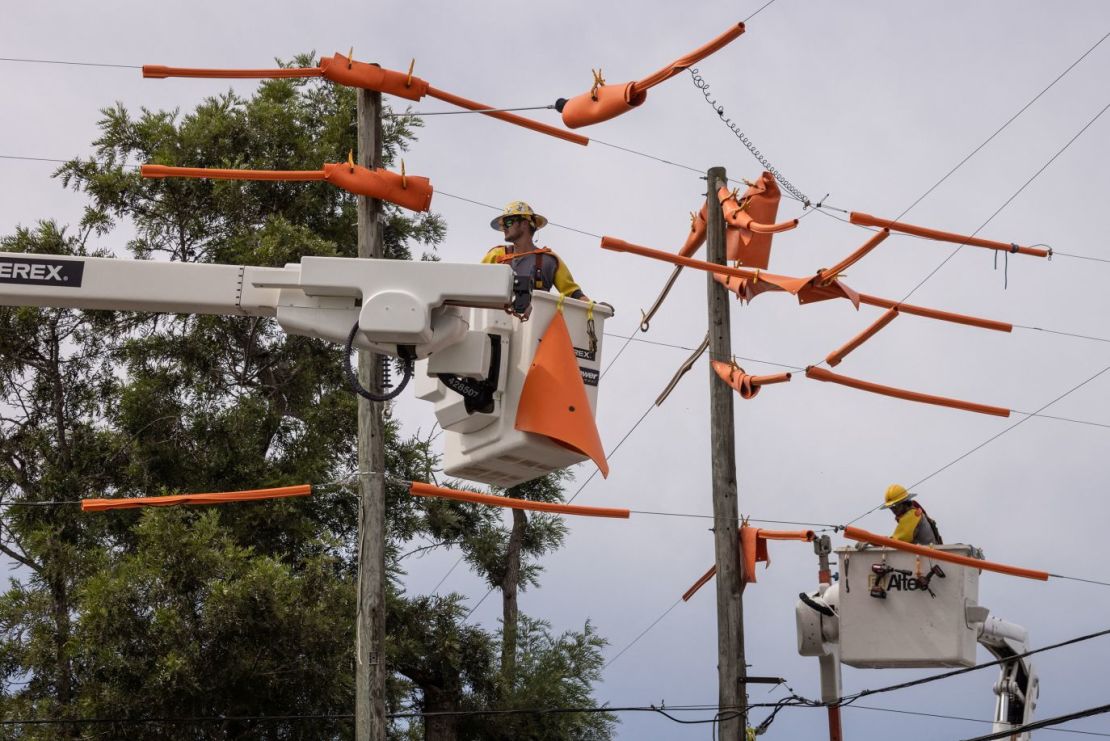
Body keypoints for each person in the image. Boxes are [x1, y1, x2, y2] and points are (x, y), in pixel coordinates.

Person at [482, 201, 588, 302]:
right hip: (497, 319)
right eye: (503, 224)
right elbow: (476, 282)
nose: (504, 228)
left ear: (524, 224)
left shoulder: (549, 260)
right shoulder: (496, 255)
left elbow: (573, 292)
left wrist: (594, 306)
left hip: (536, 319)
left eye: (508, 222)